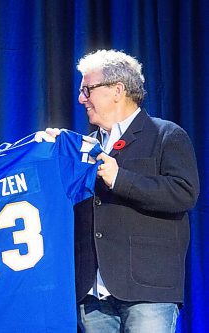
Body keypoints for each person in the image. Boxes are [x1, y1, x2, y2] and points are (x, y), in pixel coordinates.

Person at [70, 49, 200, 332]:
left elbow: (184, 193)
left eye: (87, 90)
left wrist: (120, 179)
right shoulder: (83, 148)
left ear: (117, 90)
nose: (81, 99)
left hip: (148, 292)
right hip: (92, 295)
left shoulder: (166, 135)